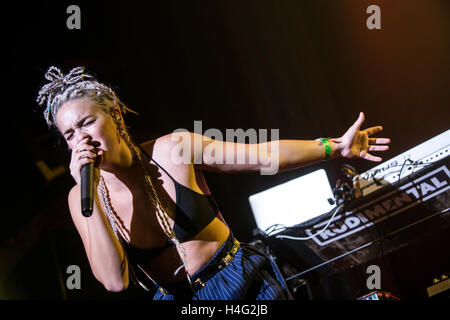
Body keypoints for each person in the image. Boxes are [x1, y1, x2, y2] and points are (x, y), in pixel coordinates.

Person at [36, 66, 390, 300]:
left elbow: (262, 156)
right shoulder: (79, 197)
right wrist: (89, 197)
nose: (80, 139)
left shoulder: (173, 148)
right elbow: (115, 281)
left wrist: (332, 147)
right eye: (69, 134)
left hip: (238, 282)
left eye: (86, 123)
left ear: (114, 116)